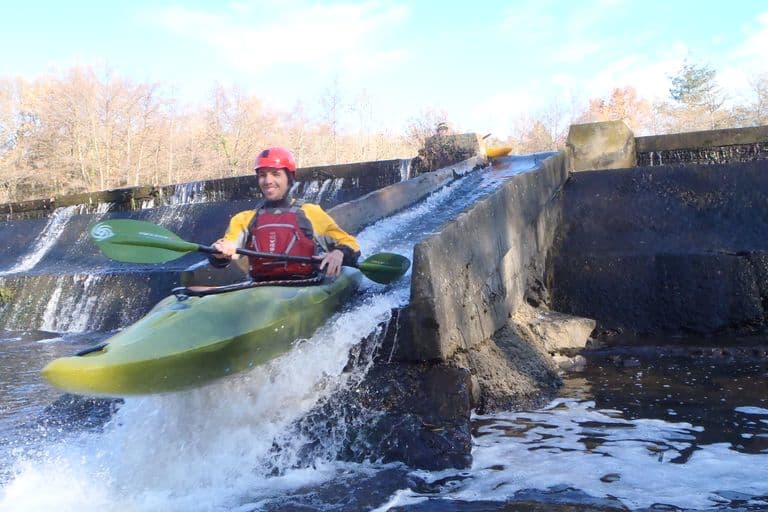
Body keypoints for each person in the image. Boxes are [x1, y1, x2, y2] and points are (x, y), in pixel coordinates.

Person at [210, 146, 360, 281]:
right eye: (262, 175)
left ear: (289, 178)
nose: (268, 181)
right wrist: (219, 252)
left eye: (276, 174)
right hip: (258, 287)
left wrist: (339, 253)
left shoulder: (309, 212)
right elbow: (227, 246)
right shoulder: (244, 219)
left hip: (305, 284)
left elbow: (350, 243)